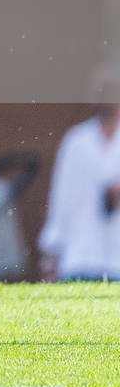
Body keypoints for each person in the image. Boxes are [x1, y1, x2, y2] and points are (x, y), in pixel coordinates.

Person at [38, 63, 120, 282]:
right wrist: (51, 254)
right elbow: (60, 201)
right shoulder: (75, 142)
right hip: (79, 259)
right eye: (98, 92)